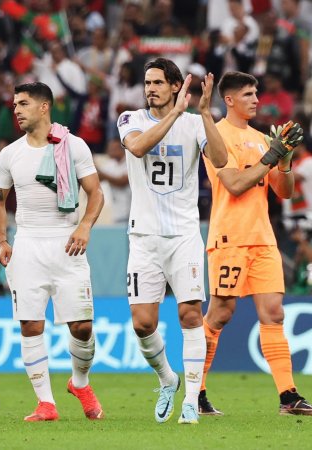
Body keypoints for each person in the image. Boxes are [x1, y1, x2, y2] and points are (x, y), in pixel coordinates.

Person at [117, 57, 228, 425]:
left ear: (176, 86)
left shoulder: (194, 124)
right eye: (147, 83)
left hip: (183, 235)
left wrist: (205, 114)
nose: (150, 89)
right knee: (142, 323)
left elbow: (220, 158)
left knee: (190, 314)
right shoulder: (130, 119)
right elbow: (137, 148)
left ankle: (191, 401)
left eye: (158, 83)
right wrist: (175, 113)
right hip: (143, 236)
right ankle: (167, 378)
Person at [0, 82, 105, 422]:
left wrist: (84, 226)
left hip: (67, 243)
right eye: (15, 105)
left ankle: (79, 383)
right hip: (27, 244)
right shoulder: (10, 154)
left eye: (23, 104)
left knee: (82, 327)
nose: (16, 110)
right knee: (30, 324)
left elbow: (96, 193)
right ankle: (45, 403)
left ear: (44, 107)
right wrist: (2, 240)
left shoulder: (74, 146)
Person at [200, 71, 312, 416]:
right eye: (248, 94)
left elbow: (284, 191)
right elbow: (235, 185)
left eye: (256, 93)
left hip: (262, 238)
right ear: (229, 99)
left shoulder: (263, 139)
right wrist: (270, 156)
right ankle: (196, 390)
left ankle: (288, 397)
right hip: (229, 237)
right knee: (221, 313)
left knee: (274, 313)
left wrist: (284, 160)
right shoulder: (216, 136)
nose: (256, 100)